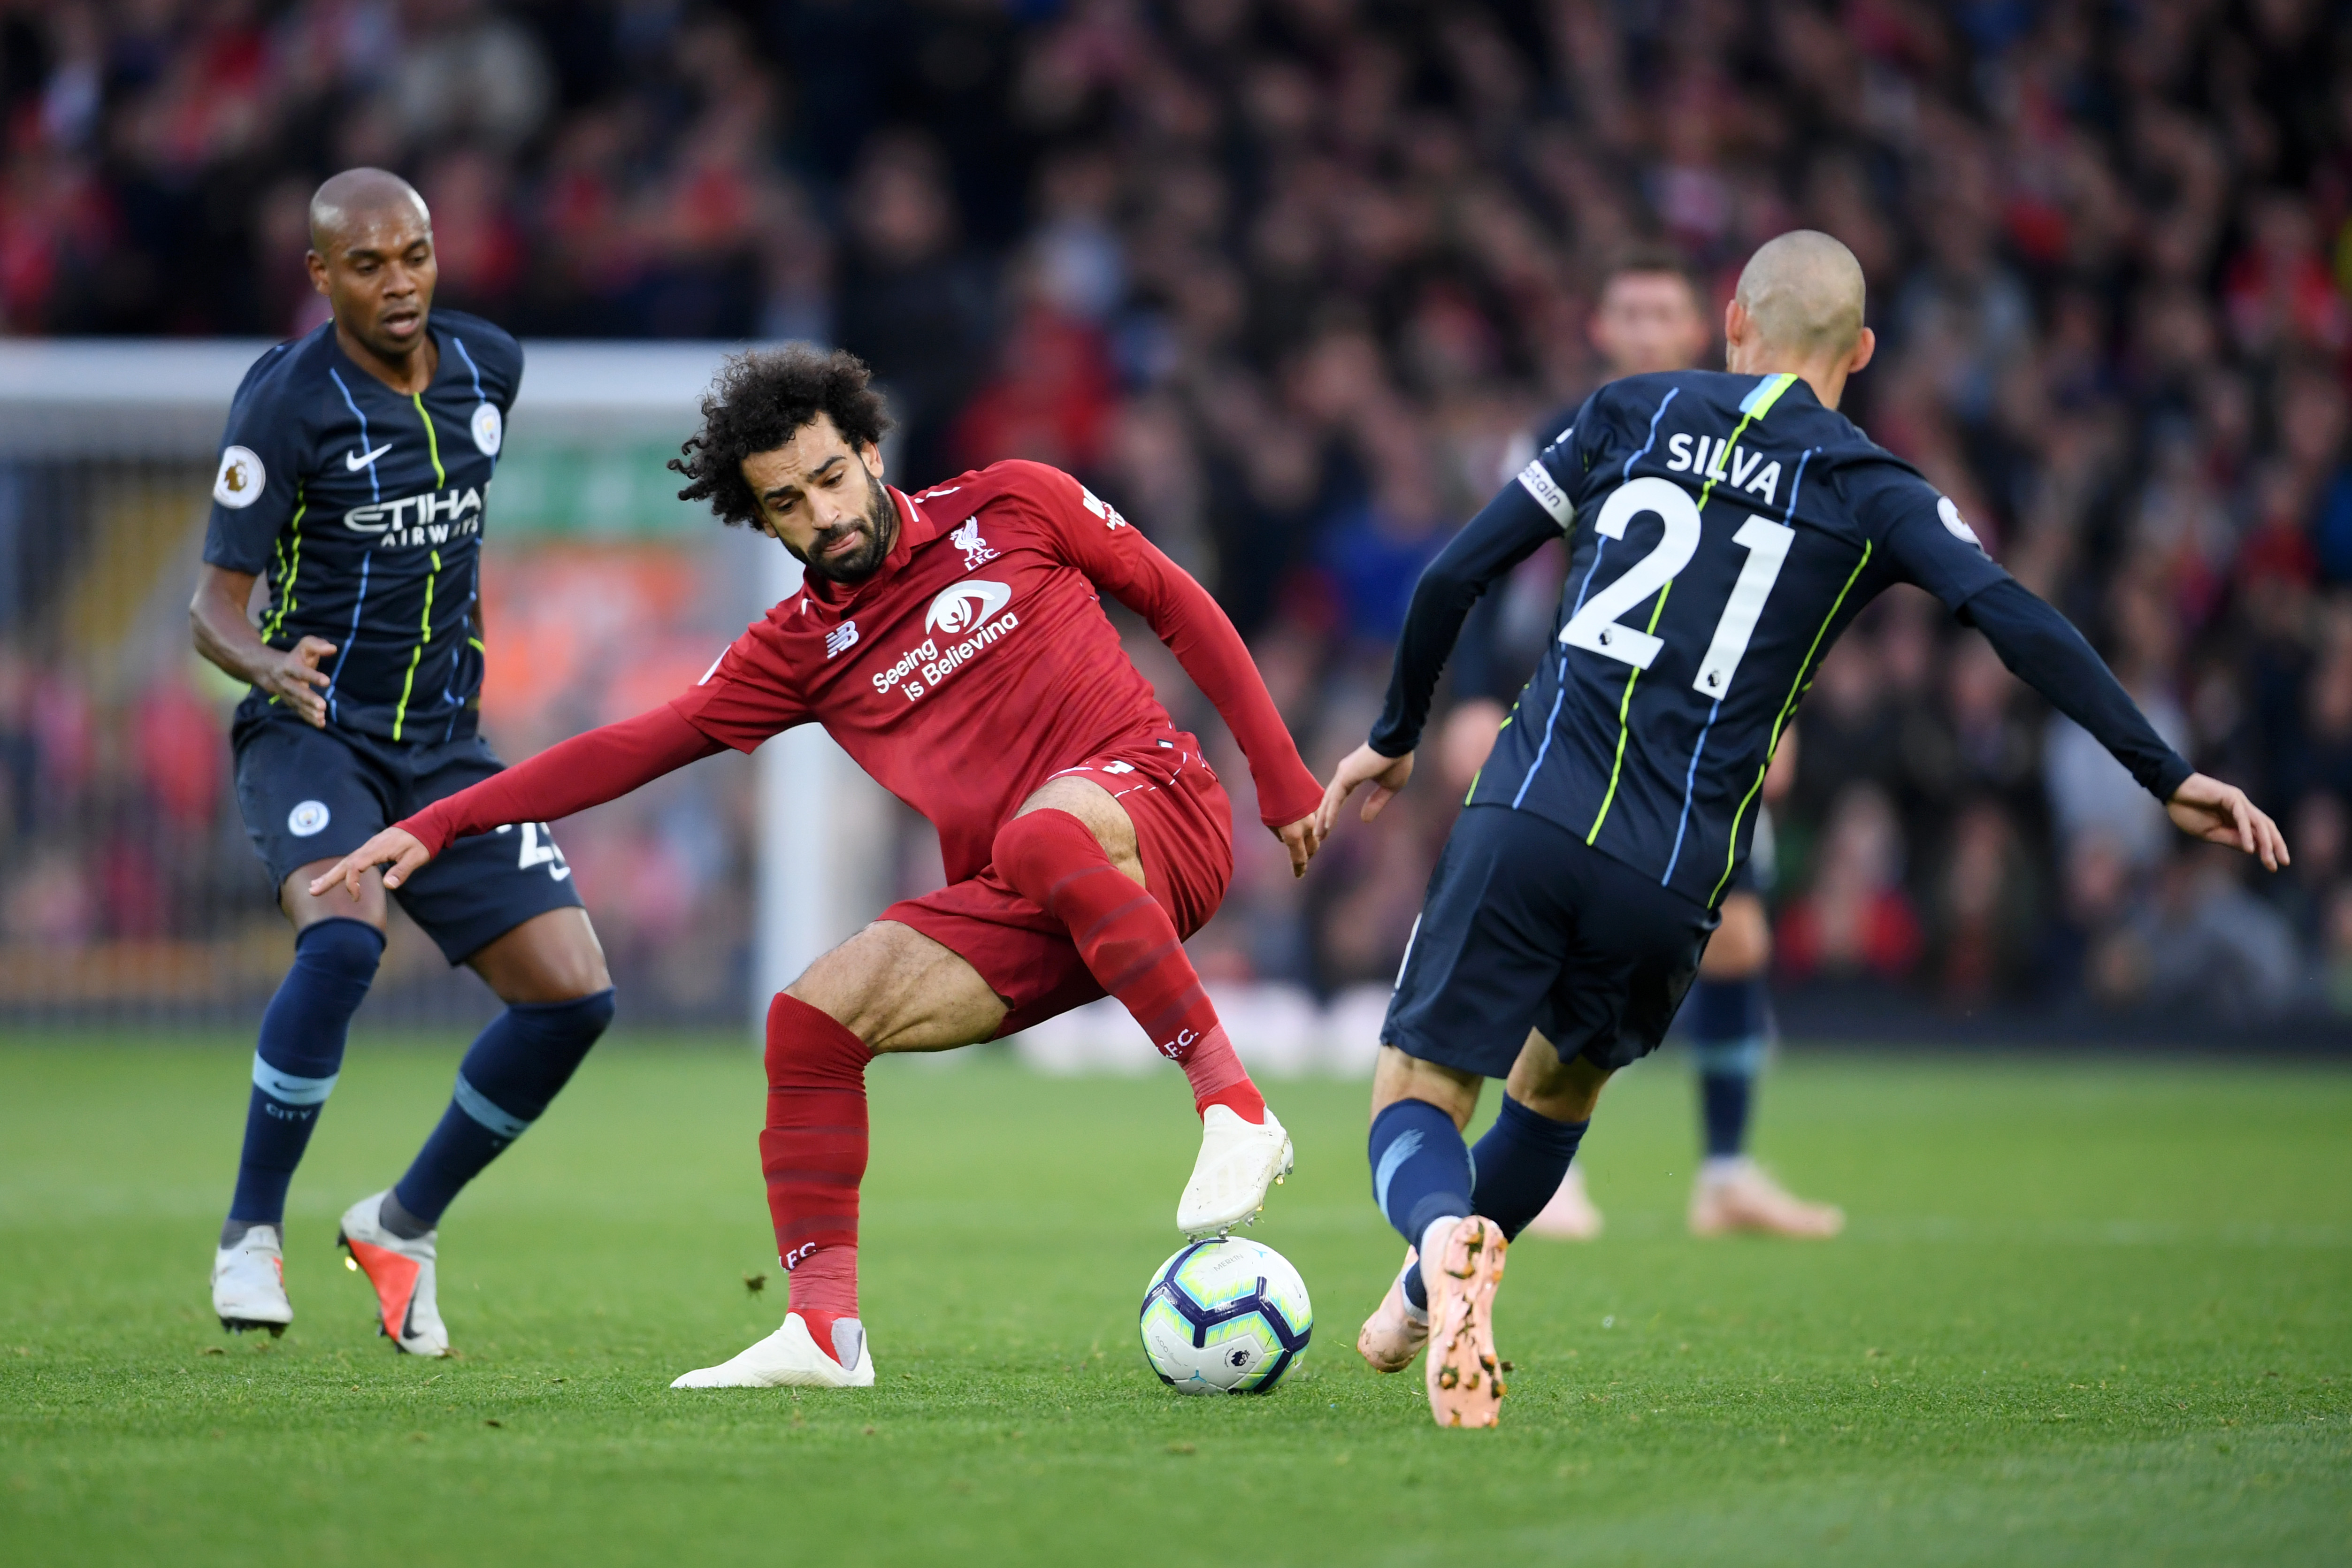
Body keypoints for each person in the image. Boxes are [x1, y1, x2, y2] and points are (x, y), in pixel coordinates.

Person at [1318, 230, 2289, 1428]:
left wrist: (1397, 731)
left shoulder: (1628, 409)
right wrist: (2164, 773)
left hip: (1530, 809)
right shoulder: (1874, 488)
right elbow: (2013, 617)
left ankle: (1436, 1232)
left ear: (1731, 322)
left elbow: (1447, 584)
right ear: (1862, 352)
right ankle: (1422, 1296)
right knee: (1557, 1092)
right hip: (1672, 875)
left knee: (1417, 1088)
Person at [312, 346, 1327, 1390]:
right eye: (787, 502)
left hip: (1157, 816)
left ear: (871, 452)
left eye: (832, 477)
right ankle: (822, 1332)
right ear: (764, 521)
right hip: (1033, 901)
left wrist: (1281, 774)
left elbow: (1175, 601)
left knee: (1039, 835)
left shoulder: (1016, 503)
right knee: (810, 1024)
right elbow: (629, 747)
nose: (822, 512)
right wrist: (442, 822)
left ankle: (1234, 1108)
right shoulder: (796, 648)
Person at [195, 169, 616, 1358]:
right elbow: (209, 611)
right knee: (344, 934)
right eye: (368, 264)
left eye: (415, 256)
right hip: (314, 730)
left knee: (575, 996)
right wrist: (268, 665)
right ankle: (251, 1233)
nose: (399, 283)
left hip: (447, 753)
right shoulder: (284, 402)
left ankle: (400, 1223)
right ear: (320, 276)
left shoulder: (491, 367)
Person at [1443, 250, 1841, 1242]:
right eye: (1627, 312)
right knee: (1556, 926)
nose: (1646, 330)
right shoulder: (1571, 433)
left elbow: (1774, 604)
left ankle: (1725, 1171)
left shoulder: (1742, 438)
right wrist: (1469, 702)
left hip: (1700, 742)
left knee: (1740, 937)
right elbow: (1497, 581)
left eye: (1663, 313)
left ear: (1702, 327)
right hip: (1580, 731)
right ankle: (1543, 1161)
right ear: (1600, 331)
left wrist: (1781, 723)